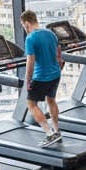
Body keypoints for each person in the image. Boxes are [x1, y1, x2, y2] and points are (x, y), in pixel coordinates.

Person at [20, 9, 64, 146]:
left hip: (40, 77)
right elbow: (59, 56)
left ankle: (49, 133)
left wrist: (28, 80)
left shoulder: (30, 38)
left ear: (26, 23)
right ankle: (57, 131)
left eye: (23, 26)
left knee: (31, 104)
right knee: (51, 100)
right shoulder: (50, 33)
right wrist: (57, 69)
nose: (24, 28)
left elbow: (30, 61)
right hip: (55, 74)